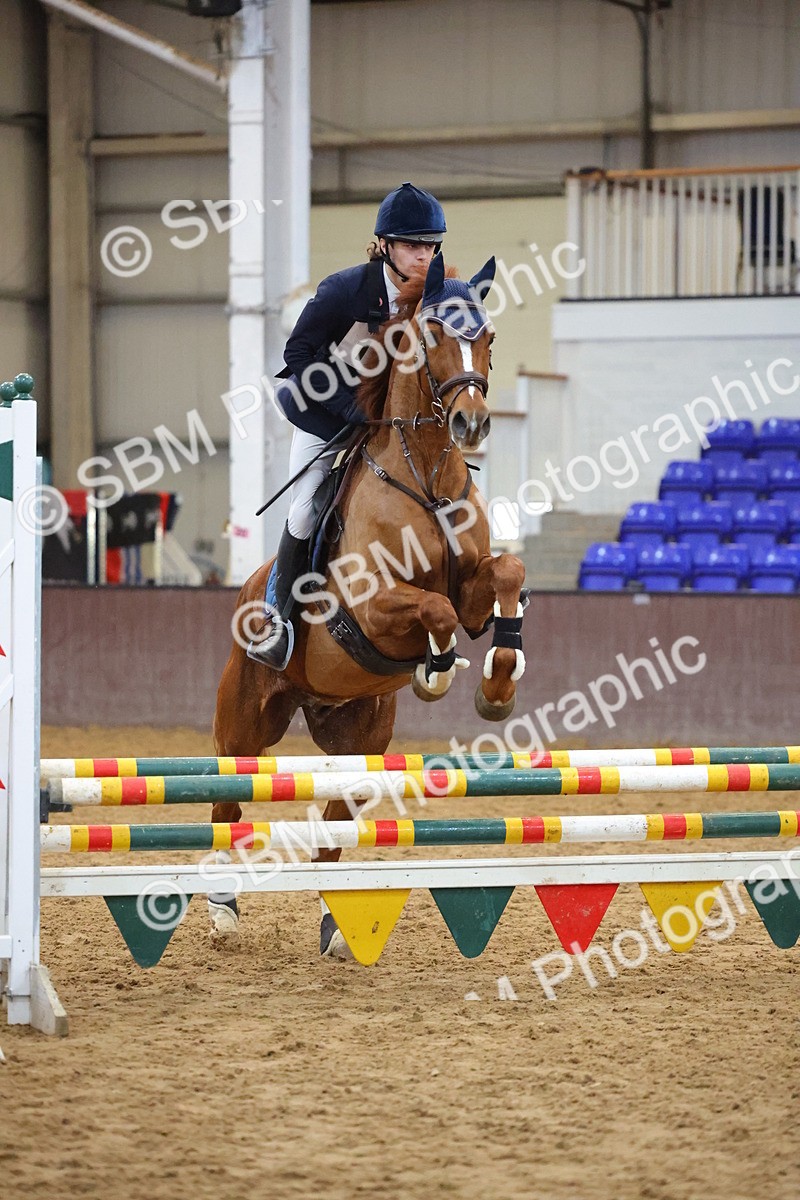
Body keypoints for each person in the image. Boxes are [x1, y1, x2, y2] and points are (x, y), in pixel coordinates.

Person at [248, 182, 447, 670]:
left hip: (397, 427)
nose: (423, 257)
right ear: (384, 246)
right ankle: (278, 619)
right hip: (327, 420)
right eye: (412, 246)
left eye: (430, 246)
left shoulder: (436, 298)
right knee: (308, 506)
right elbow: (296, 356)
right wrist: (350, 409)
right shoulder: (345, 290)